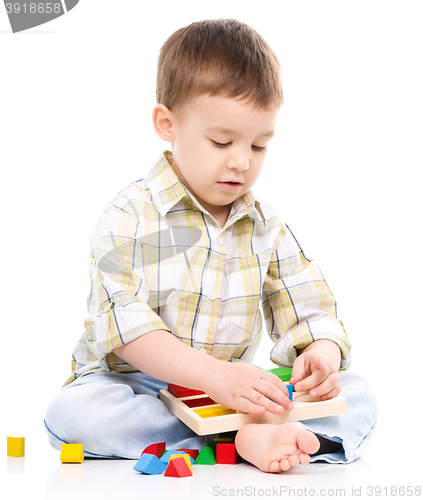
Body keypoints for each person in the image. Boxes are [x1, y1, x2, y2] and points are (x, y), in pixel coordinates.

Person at [44, 19, 378, 473]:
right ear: (167, 123)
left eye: (259, 146)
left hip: (236, 390)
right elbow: (122, 322)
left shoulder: (265, 225)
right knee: (74, 412)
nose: (241, 162)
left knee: (357, 391)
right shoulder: (132, 214)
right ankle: (240, 436)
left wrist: (321, 354)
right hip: (143, 388)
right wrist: (211, 376)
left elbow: (311, 309)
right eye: (222, 141)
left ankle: (261, 431)